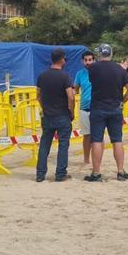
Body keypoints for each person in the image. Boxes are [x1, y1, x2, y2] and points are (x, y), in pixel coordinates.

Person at [85, 43, 128, 182]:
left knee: (96, 141)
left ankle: (96, 173)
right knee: (117, 141)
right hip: (115, 109)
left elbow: (91, 80)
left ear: (99, 54)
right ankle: (120, 171)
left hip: (98, 108)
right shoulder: (119, 70)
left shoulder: (93, 68)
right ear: (111, 54)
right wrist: (122, 101)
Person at [35, 48, 75, 182]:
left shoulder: (42, 76)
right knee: (63, 145)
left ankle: (40, 174)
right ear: (62, 59)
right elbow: (71, 96)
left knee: (45, 144)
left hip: (47, 115)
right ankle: (60, 173)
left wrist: (44, 107)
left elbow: (38, 96)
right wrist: (71, 111)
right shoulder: (65, 76)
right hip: (62, 115)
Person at [73, 50, 95, 165]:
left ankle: (96, 159)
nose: (88, 62)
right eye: (85, 60)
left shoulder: (99, 71)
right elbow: (75, 89)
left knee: (97, 135)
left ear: (94, 60)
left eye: (90, 60)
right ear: (82, 61)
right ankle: (86, 159)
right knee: (87, 135)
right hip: (84, 108)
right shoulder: (80, 74)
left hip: (97, 107)